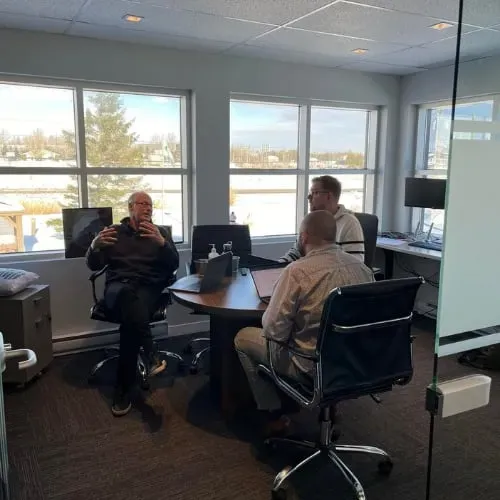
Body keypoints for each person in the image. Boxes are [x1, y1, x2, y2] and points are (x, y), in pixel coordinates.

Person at [235, 210, 373, 435]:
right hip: (356, 362)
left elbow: (273, 331)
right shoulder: (363, 269)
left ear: (304, 237)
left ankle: (274, 415)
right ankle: (330, 409)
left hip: (309, 366)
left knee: (242, 337)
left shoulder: (296, 272)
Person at [86, 191, 179, 417]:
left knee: (131, 325)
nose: (148, 208)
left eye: (150, 205)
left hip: (148, 288)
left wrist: (162, 243)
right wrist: (94, 246)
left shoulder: (161, 233)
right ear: (130, 207)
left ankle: (123, 389)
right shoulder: (114, 233)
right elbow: (93, 265)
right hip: (118, 288)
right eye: (142, 203)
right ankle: (150, 352)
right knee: (128, 299)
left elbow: (174, 264)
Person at [280, 175, 365, 263]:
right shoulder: (311, 220)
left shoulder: (349, 223)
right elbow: (296, 252)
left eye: (315, 193)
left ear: (328, 196)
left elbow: (355, 264)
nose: (309, 198)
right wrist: (275, 266)